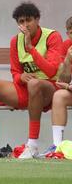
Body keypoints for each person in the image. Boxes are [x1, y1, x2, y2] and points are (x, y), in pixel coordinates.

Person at [0, 2, 63, 159]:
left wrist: (31, 49)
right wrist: (20, 77)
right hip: (26, 89)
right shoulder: (15, 41)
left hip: (49, 90)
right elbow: (15, 71)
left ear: (37, 20)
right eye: (21, 22)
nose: (25, 25)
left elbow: (52, 71)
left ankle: (32, 145)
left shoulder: (52, 36)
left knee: (35, 83)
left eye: (29, 20)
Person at [47, 16, 72, 154]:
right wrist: (68, 61)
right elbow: (62, 81)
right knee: (59, 96)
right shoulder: (67, 46)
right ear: (68, 33)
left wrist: (68, 87)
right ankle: (57, 147)